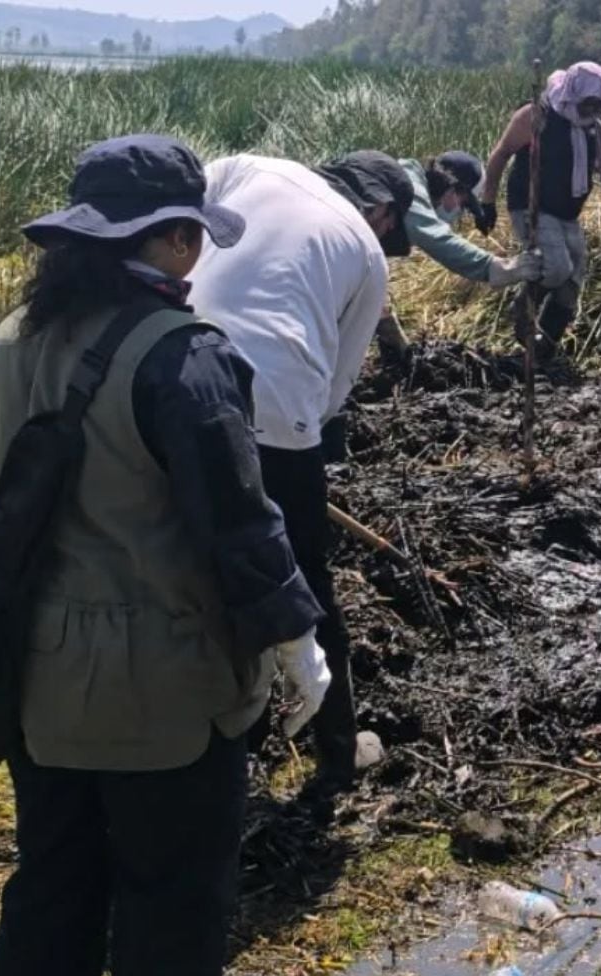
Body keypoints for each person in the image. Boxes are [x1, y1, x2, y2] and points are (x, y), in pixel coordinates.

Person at [0, 134, 329, 976]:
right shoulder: (182, 356)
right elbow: (240, 526)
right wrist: (297, 640)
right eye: (192, 237)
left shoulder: (4, 345)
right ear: (169, 241)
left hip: (36, 688)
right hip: (166, 697)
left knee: (49, 902)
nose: (198, 255)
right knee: (170, 922)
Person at [189, 149, 408, 806]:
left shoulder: (246, 168)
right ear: (382, 210)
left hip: (175, 375)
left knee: (189, 566)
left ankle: (218, 738)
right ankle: (337, 753)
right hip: (278, 411)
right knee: (304, 580)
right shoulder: (366, 252)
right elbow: (338, 385)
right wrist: (295, 447)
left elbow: (185, 230)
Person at [480, 61, 601, 357]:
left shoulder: (589, 126)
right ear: (575, 93)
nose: (594, 110)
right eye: (590, 103)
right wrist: (487, 202)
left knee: (574, 277)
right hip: (533, 207)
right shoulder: (537, 115)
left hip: (567, 212)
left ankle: (545, 347)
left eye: (599, 105)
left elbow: (590, 162)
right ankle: (523, 305)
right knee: (557, 268)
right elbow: (500, 154)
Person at [373, 151, 545, 364]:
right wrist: (496, 268)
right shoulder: (409, 189)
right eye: (463, 204)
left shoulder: (402, 187)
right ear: (452, 189)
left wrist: (394, 339)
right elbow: (436, 238)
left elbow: (370, 279)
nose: (459, 212)